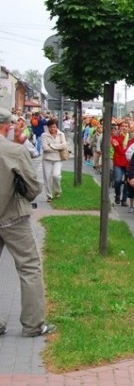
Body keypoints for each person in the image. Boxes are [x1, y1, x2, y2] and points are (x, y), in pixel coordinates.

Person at [0, 107, 56, 337]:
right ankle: (33, 324)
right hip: (12, 216)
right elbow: (33, 188)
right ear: (6, 126)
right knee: (29, 267)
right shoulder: (13, 150)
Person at [40, 118, 68, 201]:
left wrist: (51, 145)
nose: (53, 129)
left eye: (54, 127)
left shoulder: (61, 134)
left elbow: (64, 146)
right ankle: (49, 196)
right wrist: (57, 147)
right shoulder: (44, 135)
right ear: (48, 127)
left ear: (57, 127)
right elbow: (45, 148)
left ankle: (57, 190)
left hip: (58, 158)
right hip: (47, 159)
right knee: (47, 178)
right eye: (51, 127)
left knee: (56, 176)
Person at [110, 120, 132, 206]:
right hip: (118, 162)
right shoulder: (115, 137)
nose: (124, 128)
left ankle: (124, 199)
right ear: (120, 127)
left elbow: (131, 149)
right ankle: (118, 195)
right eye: (123, 126)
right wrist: (122, 138)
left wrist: (122, 148)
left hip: (128, 163)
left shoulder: (131, 137)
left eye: (126, 126)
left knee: (127, 182)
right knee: (118, 180)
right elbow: (119, 150)